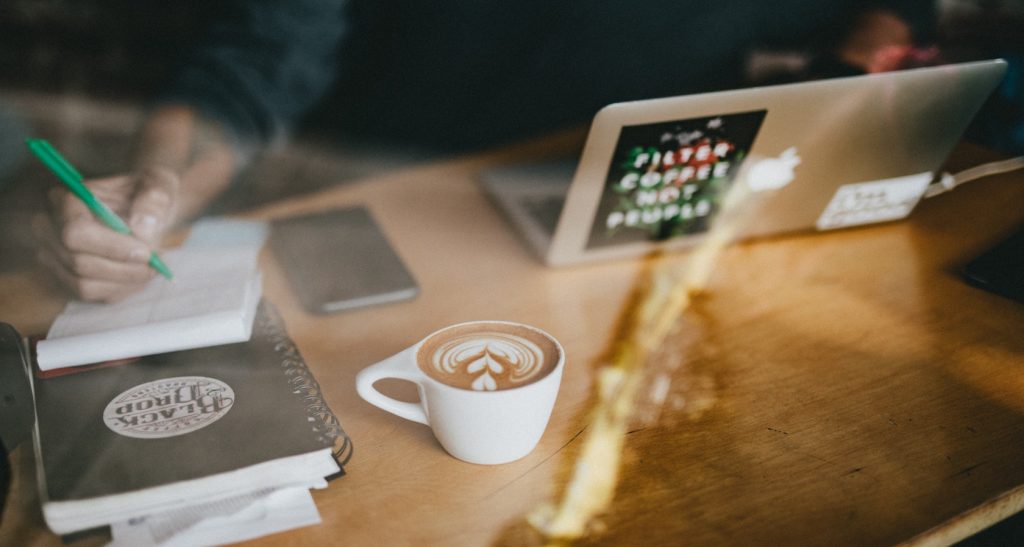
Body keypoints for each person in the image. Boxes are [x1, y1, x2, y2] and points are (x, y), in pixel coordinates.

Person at [34, 1, 935, 302]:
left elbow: (891, 10)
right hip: (401, 236)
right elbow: (258, 61)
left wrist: (860, 62)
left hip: (689, 230)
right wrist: (160, 186)